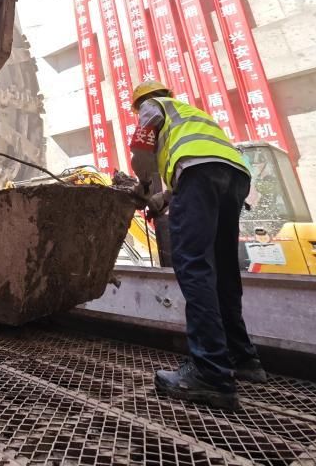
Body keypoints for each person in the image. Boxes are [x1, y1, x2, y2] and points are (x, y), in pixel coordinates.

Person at [128, 80, 267, 410]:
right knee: (223, 270)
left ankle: (211, 373)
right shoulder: (192, 113)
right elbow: (200, 162)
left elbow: (142, 151)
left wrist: (145, 187)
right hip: (233, 178)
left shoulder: (153, 107)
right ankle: (243, 358)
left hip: (199, 175)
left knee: (194, 267)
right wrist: (164, 198)